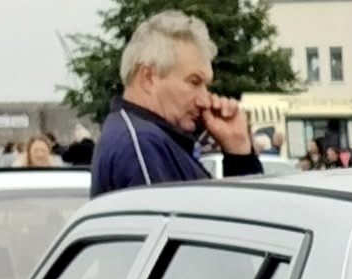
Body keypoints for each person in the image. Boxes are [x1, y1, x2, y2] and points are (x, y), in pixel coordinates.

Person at [91, 11, 262, 196]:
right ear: (148, 78)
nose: (205, 100)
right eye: (194, 82)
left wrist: (238, 152)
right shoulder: (140, 145)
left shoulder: (150, 140)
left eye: (206, 86)